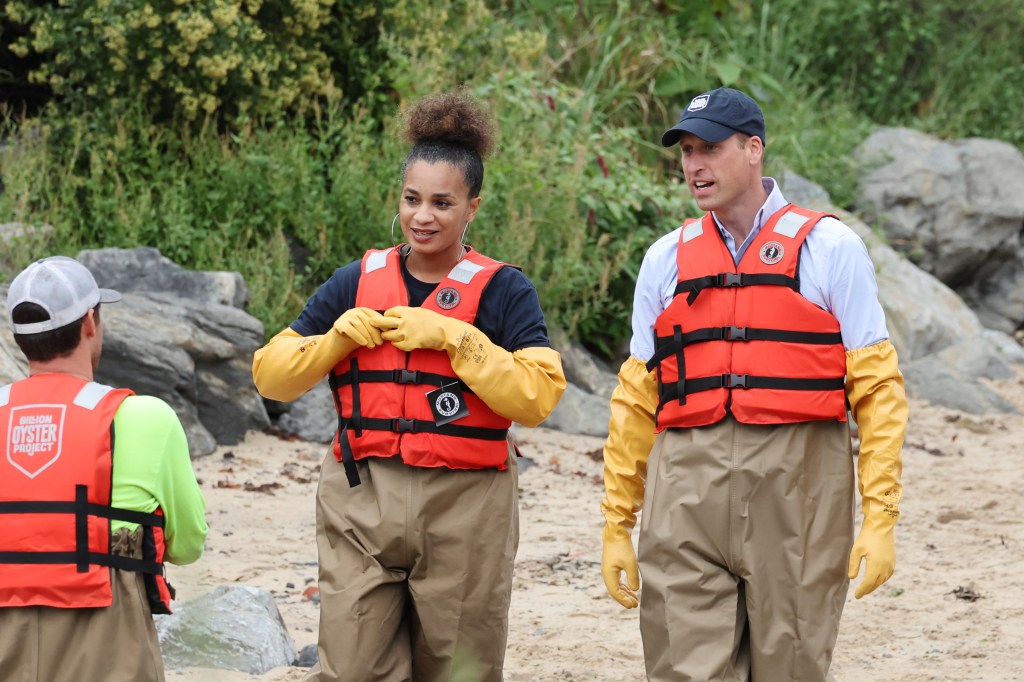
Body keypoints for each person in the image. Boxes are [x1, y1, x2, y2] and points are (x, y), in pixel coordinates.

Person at [252, 92, 565, 682]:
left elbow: (539, 396)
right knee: (350, 668)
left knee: (456, 669)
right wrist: (333, 340)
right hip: (360, 499)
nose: (424, 216)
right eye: (412, 199)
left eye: (443, 203)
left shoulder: (504, 291)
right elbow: (271, 374)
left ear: (472, 206)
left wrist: (456, 339)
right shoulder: (356, 280)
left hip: (466, 507)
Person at [600, 87, 909, 680]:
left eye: (710, 148)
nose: (695, 165)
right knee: (682, 668)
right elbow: (636, 399)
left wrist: (880, 517)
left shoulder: (830, 249)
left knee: (790, 665)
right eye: (687, 151)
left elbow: (877, 389)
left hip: (800, 490)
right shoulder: (665, 259)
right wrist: (617, 522)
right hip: (685, 491)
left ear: (754, 150)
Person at [0, 256, 208, 682]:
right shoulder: (147, 417)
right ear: (90, 323)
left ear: (19, 337)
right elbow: (188, 546)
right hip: (108, 632)